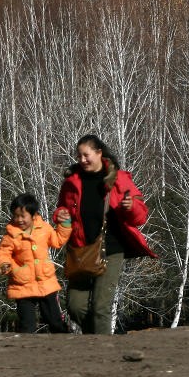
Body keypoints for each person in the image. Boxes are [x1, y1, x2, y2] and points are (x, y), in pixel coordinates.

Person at [52, 134, 156, 334]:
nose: (82, 160)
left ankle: (104, 353)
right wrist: (61, 215)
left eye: (86, 155)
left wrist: (130, 206)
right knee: (75, 306)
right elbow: (61, 209)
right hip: (81, 250)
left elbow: (140, 216)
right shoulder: (71, 182)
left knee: (101, 307)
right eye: (79, 156)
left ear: (99, 153)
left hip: (111, 249)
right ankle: (97, 337)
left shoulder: (119, 179)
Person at [0, 193, 72, 334]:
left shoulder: (44, 228)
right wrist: (4, 264)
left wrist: (65, 224)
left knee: (54, 320)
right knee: (27, 325)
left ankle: (64, 342)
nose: (19, 220)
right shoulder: (10, 235)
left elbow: (58, 240)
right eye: (16, 216)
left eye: (23, 216)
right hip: (22, 284)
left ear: (33, 214)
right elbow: (2, 253)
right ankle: (26, 351)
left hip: (45, 282)